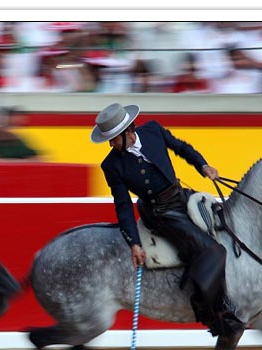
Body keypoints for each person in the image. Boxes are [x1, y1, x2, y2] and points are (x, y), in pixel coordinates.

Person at [92, 102, 230, 334]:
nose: (111, 144)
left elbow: (181, 148)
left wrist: (203, 165)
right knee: (212, 250)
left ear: (128, 132)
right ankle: (207, 309)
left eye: (114, 138)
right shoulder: (111, 165)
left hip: (182, 196)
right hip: (160, 213)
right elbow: (123, 205)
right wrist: (134, 243)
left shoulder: (153, 130)